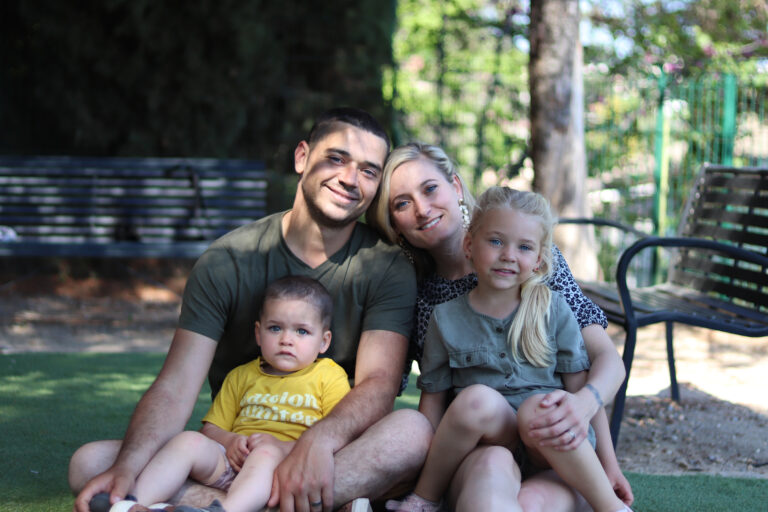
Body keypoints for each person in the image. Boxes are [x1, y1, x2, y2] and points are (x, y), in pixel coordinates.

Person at [70, 108, 434, 512]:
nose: (350, 179)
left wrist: (318, 440)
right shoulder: (228, 260)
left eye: (368, 171)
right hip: (235, 454)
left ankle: (203, 506)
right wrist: (127, 467)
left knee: (411, 432)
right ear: (302, 157)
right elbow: (176, 386)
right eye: (336, 158)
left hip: (331, 453)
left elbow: (379, 384)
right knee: (91, 463)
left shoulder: (385, 265)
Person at [367, 142, 633, 511]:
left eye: (430, 189)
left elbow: (600, 362)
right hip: (480, 446)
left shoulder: (540, 272)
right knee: (489, 465)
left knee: (534, 478)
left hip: (551, 443)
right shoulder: (414, 293)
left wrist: (606, 456)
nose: (422, 209)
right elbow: (425, 402)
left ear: (455, 187)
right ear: (393, 222)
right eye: (402, 203)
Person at [95, 276, 351, 512]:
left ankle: (224, 510)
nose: (286, 339)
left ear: (324, 341)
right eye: (275, 328)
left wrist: (280, 446)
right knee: (189, 441)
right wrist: (231, 442)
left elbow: (338, 439)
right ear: (258, 333)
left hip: (284, 469)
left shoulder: (329, 376)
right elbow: (211, 430)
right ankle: (133, 503)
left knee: (265, 454)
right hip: (231, 465)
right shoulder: (241, 376)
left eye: (302, 331)